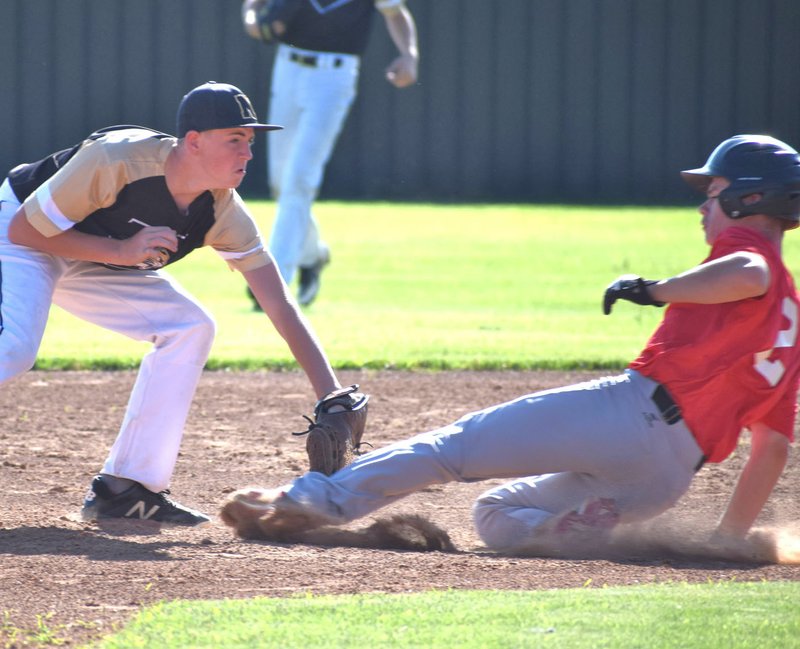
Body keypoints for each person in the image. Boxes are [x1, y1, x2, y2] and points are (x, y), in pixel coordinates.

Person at [222, 134, 800, 552]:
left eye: (715, 189)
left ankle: (309, 502)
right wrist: (729, 537)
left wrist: (654, 290)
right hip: (665, 479)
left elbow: (749, 271)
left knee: (450, 448)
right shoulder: (791, 320)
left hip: (633, 417)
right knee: (496, 514)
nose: (704, 203)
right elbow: (772, 448)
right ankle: (568, 532)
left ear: (749, 199)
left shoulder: (749, 251)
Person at [1, 81, 352, 526]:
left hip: (98, 251)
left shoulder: (223, 211)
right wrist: (124, 253)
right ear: (193, 142)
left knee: (189, 328)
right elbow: (26, 232)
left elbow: (279, 305)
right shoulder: (119, 160)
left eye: (249, 141)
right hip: (26, 230)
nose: (247, 153)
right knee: (13, 346)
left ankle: (125, 489)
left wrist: (331, 394)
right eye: (234, 140)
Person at [240, 0, 419, 307]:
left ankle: (273, 282)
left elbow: (395, 12)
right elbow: (254, 8)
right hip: (288, 68)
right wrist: (251, 17)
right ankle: (311, 255)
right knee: (282, 182)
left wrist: (409, 54)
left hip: (334, 76)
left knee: (300, 179)